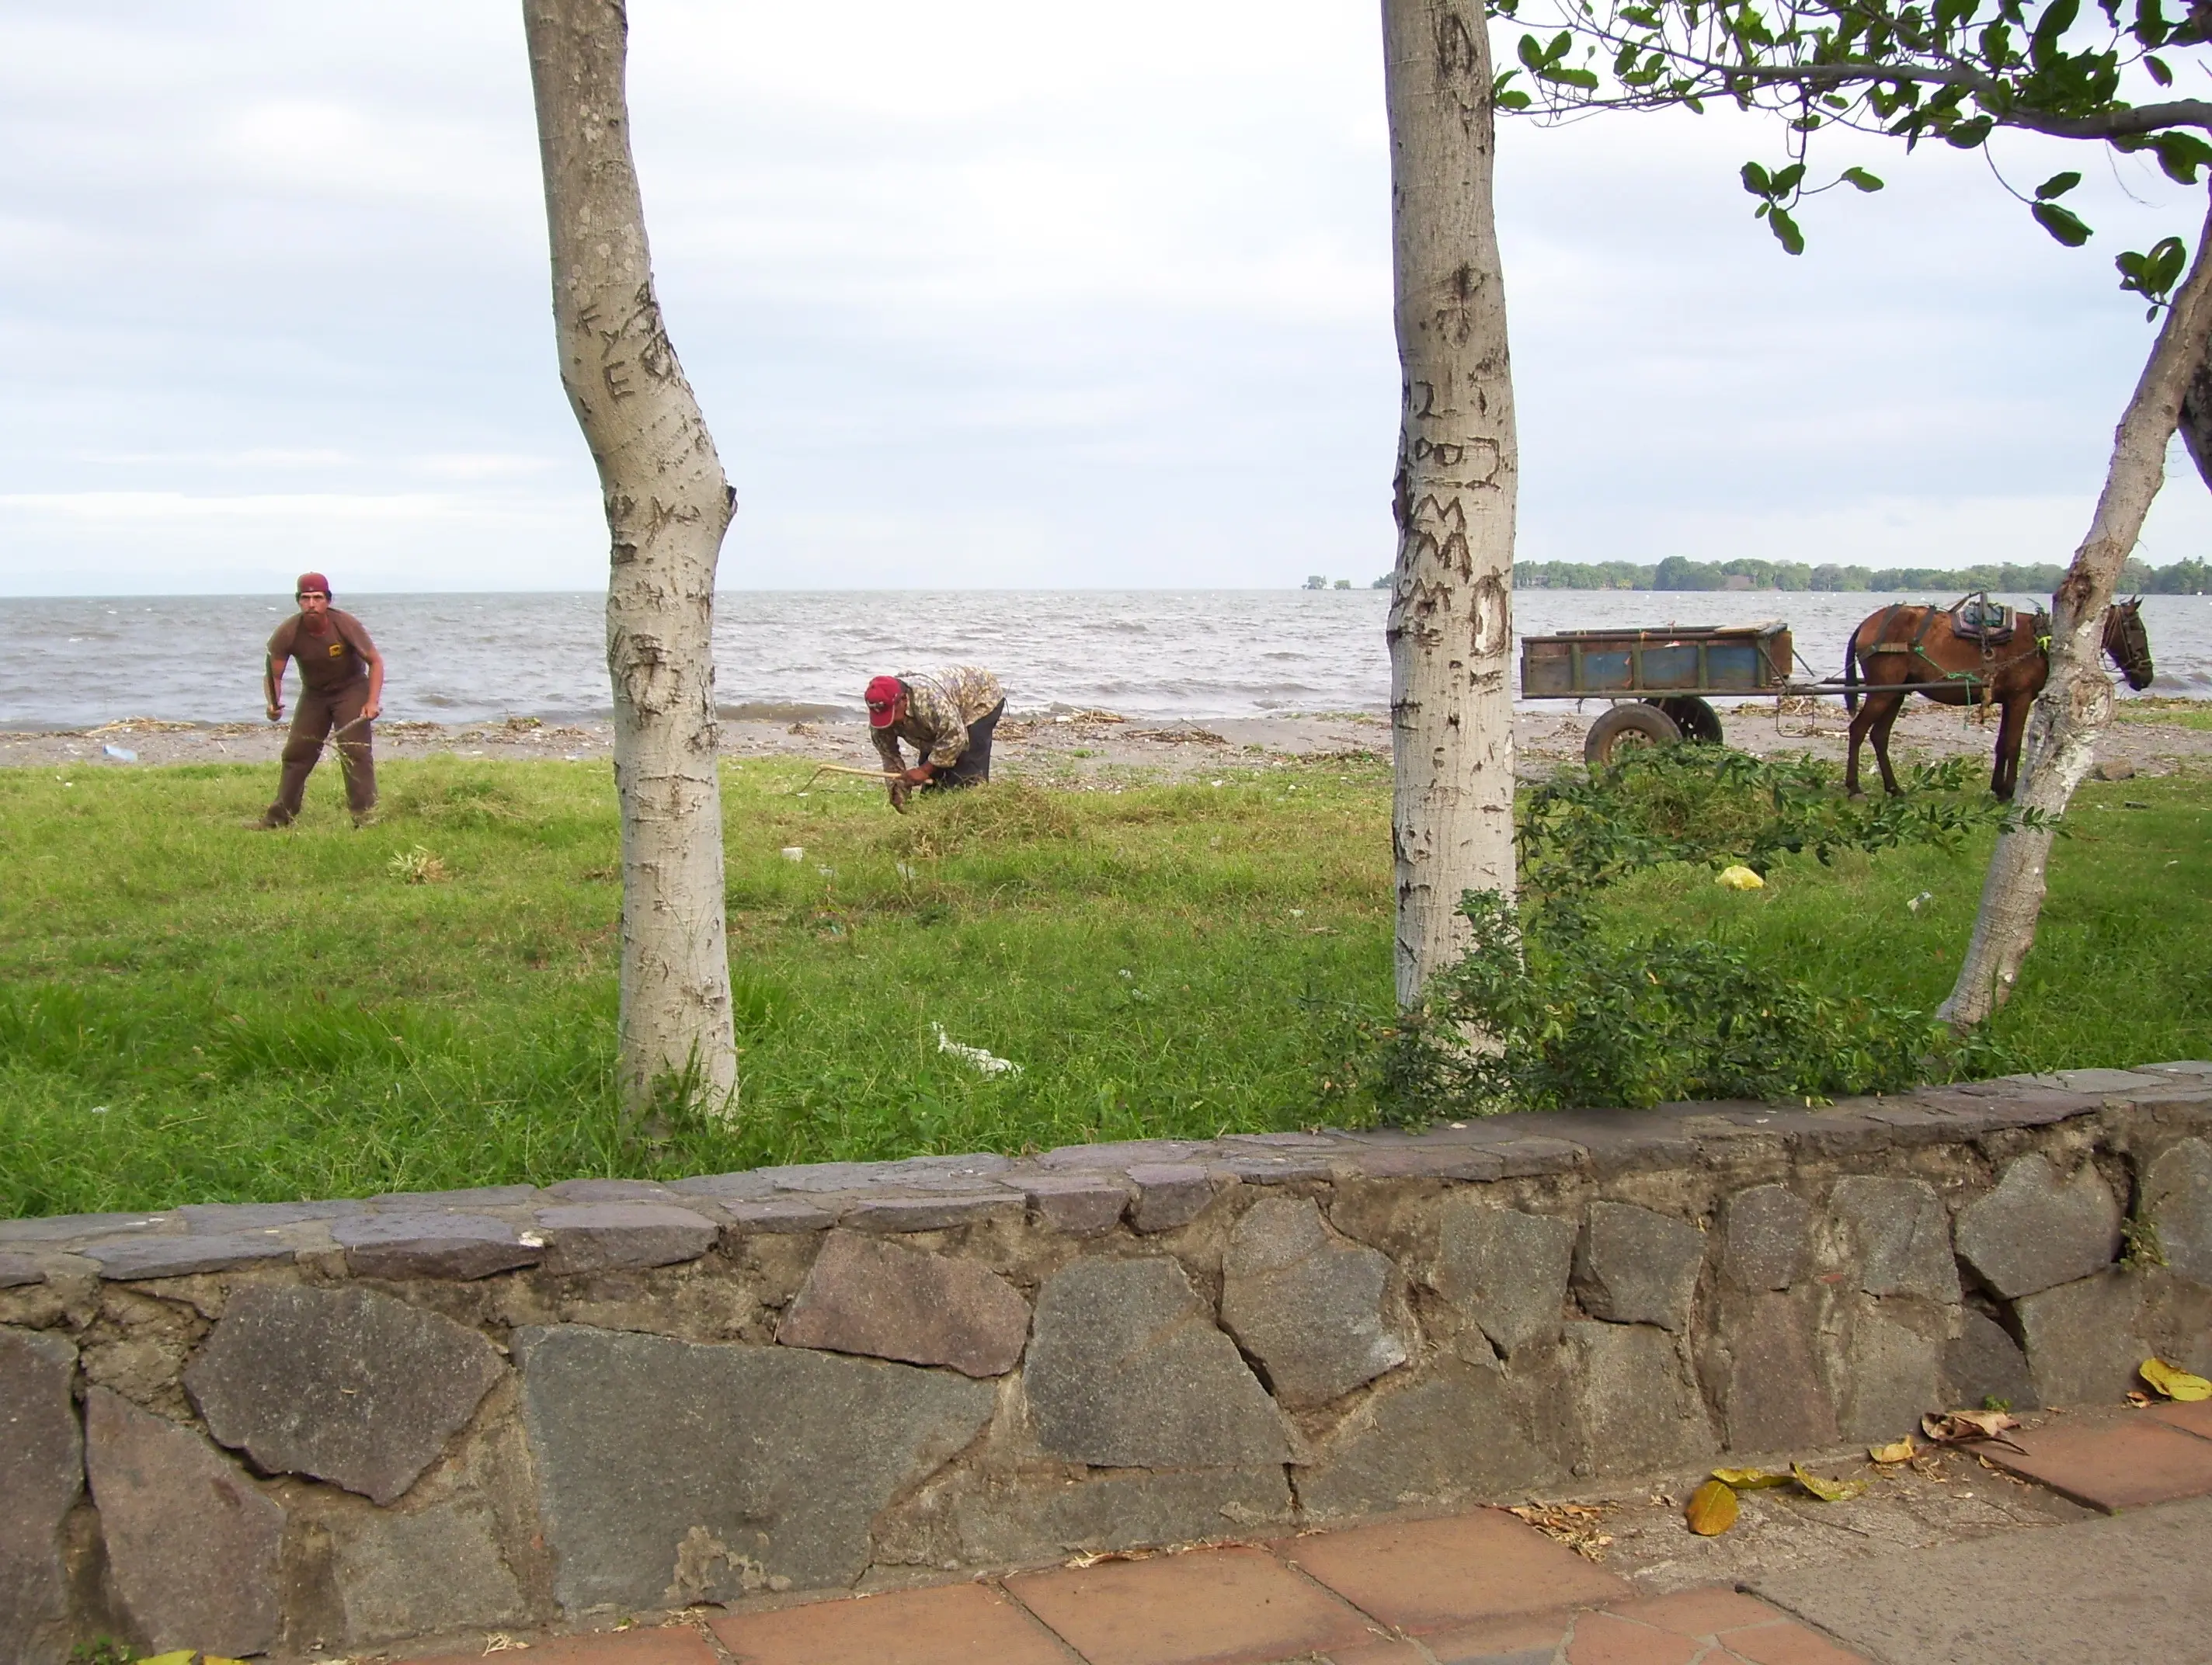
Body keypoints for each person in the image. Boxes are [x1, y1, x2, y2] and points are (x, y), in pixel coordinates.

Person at [258, 573, 384, 828]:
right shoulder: (288, 631)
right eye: (306, 598)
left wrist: (371, 701)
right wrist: (273, 704)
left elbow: (375, 662)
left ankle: (365, 818)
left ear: (328, 600)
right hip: (314, 694)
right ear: (298, 601)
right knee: (296, 753)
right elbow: (274, 675)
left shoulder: (344, 624)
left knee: (355, 751)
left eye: (318, 598)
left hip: (351, 689)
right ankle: (279, 818)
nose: (312, 603)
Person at [865, 667, 1006, 808]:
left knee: (966, 771)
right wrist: (897, 789)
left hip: (981, 698)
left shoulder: (931, 702)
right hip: (941, 717)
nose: (888, 721)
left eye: (891, 712)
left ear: (903, 699)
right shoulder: (880, 721)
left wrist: (924, 771)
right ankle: (932, 811)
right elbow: (889, 756)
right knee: (934, 772)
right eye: (881, 715)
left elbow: (955, 738)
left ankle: (973, 810)